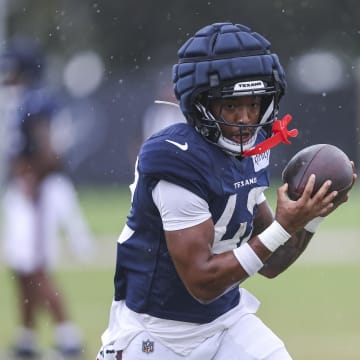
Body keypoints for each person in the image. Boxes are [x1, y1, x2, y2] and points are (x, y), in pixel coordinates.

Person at [96, 22, 357, 359]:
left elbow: (272, 263)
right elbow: (202, 282)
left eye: (254, 104)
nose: (246, 119)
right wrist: (284, 226)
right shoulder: (175, 157)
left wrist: (311, 217)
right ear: (201, 103)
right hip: (157, 333)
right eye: (232, 106)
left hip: (225, 322)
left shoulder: (252, 148)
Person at [0, 37, 94, 358]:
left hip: (37, 189)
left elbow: (50, 152)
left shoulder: (37, 101)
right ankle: (27, 337)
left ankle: (68, 336)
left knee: (36, 266)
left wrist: (31, 178)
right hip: (27, 186)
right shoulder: (25, 99)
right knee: (21, 265)